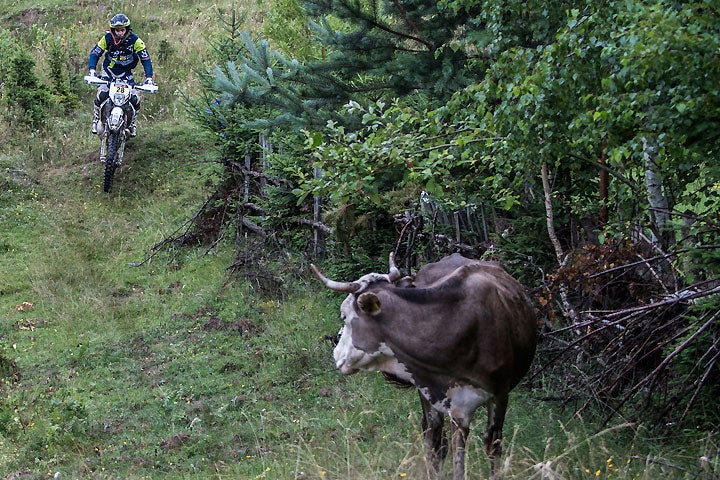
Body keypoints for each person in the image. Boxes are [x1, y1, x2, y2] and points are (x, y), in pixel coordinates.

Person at [87, 13, 155, 137]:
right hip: (108, 72)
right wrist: (92, 70)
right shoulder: (107, 38)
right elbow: (95, 53)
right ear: (113, 30)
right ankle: (96, 119)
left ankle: (132, 123)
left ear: (127, 29)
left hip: (126, 75)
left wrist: (149, 78)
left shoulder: (136, 40)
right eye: (117, 30)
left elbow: (145, 59)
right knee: (101, 94)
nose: (119, 33)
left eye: (122, 30)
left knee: (135, 98)